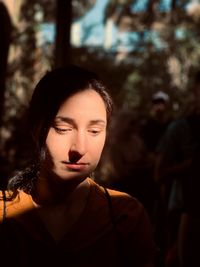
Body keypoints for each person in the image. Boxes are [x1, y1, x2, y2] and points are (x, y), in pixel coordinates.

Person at [0, 65, 156, 267]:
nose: (80, 148)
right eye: (63, 129)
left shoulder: (125, 216)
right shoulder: (5, 214)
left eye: (94, 131)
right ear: (35, 129)